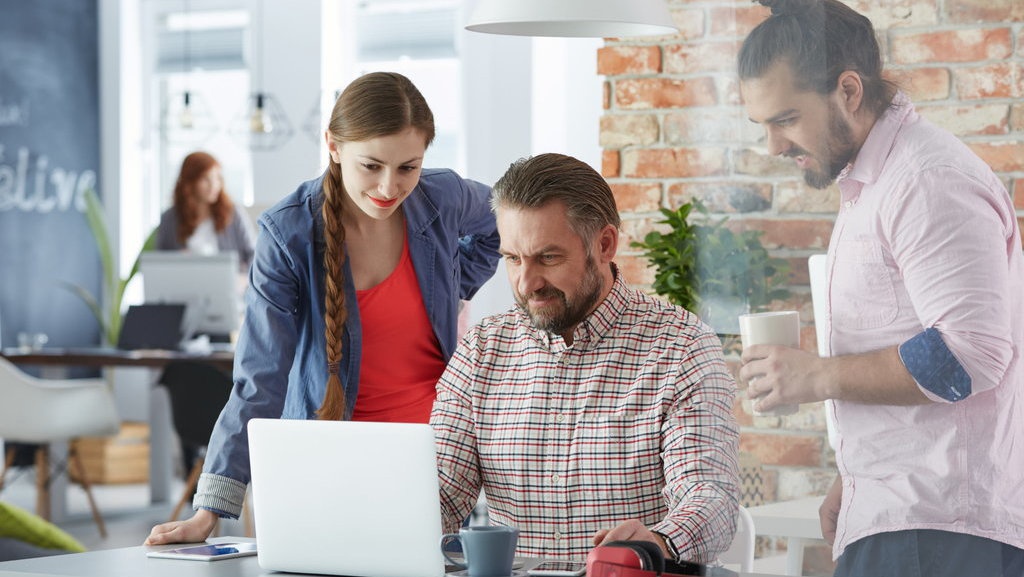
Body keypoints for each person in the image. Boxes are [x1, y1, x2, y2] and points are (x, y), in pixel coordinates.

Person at [145, 72, 502, 545]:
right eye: (370, 165)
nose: (388, 188)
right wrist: (211, 510)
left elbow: (505, 218)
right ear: (333, 146)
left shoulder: (442, 196)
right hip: (325, 461)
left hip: (432, 463)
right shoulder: (287, 233)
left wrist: (455, 287)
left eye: (408, 168)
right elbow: (260, 378)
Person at [735, 2, 1024, 576]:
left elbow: (969, 354)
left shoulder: (925, 180)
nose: (772, 146)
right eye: (761, 125)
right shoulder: (879, 181)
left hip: (937, 529)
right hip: (905, 517)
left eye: (786, 119)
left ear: (848, 90)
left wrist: (812, 375)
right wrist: (856, 474)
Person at [430, 153, 740, 564]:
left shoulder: (681, 348)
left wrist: (658, 543)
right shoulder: (481, 351)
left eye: (548, 258)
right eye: (513, 259)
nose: (527, 283)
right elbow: (440, 494)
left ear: (605, 244)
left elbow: (710, 499)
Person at [156, 151, 256, 271]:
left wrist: (243, 279)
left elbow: (255, 256)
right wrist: (178, 260)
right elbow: (159, 263)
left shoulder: (233, 213)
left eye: (217, 178)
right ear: (190, 182)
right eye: (205, 179)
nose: (214, 185)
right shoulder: (170, 218)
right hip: (184, 288)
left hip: (230, 288)